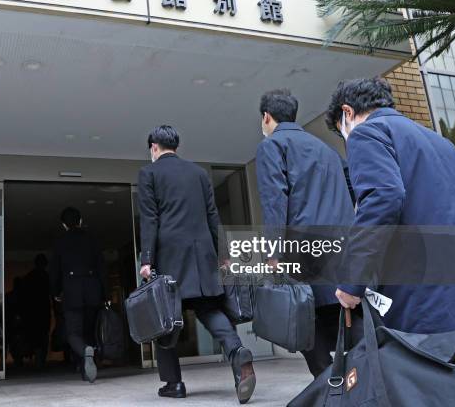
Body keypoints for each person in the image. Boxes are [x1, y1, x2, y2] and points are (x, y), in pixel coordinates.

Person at [325, 76, 455, 333]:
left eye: (341, 129)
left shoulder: (367, 133)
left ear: (347, 112)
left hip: (421, 293)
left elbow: (383, 198)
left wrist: (351, 282)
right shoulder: (443, 144)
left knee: (423, 369)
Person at [138, 125, 256, 403]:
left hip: (170, 258)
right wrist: (223, 253)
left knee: (166, 320)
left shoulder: (149, 173)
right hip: (202, 256)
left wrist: (146, 260)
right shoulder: (199, 173)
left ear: (154, 147)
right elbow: (212, 216)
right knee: (210, 309)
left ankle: (174, 384)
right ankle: (238, 353)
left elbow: (149, 219)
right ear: (175, 146)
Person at [255, 89, 355, 377]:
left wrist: (272, 253)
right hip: (340, 249)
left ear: (266, 117)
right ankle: (350, 384)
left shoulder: (272, 146)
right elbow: (351, 191)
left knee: (305, 324)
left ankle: (329, 385)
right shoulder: (327, 150)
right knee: (340, 319)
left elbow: (275, 200)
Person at [54, 207, 105, 383]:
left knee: (73, 333)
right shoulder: (93, 239)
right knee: (89, 332)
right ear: (81, 221)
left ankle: (84, 352)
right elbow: (101, 268)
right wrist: (103, 294)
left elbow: (55, 271)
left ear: (63, 225)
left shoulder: (60, 242)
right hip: (92, 290)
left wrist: (55, 292)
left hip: (71, 291)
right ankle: (87, 372)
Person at [21, 253, 52, 369]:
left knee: (36, 336)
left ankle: (38, 359)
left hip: (33, 311)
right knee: (42, 335)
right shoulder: (46, 276)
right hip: (42, 310)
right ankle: (40, 360)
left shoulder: (30, 277)